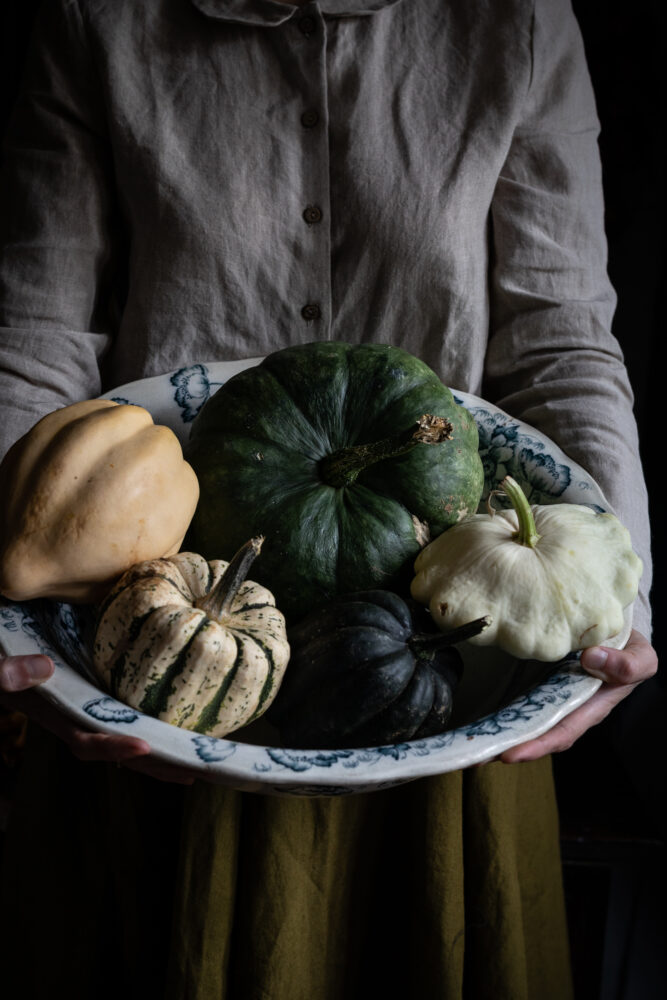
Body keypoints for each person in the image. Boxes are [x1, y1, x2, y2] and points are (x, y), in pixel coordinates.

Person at [0, 0, 658, 997]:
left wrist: (618, 593)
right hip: (148, 655)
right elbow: (37, 331)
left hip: (438, 667)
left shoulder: (519, 20)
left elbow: (560, 338)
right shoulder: (101, 19)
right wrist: (10, 602)